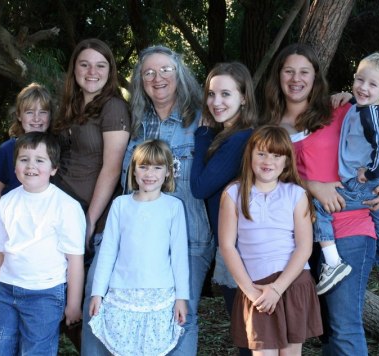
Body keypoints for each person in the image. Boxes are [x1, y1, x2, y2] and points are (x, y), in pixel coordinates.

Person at [264, 43, 379, 355]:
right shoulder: (270, 127)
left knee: (344, 326)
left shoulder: (339, 109)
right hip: (298, 239)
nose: (296, 79)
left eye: (304, 72)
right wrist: (313, 185)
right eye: (289, 71)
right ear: (278, 76)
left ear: (315, 77)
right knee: (324, 328)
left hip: (350, 228)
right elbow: (267, 179)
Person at [121, 45, 214, 355]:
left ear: (179, 75)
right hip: (139, 240)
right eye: (149, 72)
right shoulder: (134, 124)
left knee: (182, 316)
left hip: (189, 238)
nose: (157, 78)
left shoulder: (203, 119)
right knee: (141, 317)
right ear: (140, 81)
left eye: (165, 70)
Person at [51, 38, 130, 354]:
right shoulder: (70, 105)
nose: (92, 71)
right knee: (58, 299)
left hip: (91, 217)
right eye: (84, 64)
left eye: (100, 65)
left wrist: (89, 221)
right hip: (59, 214)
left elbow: (112, 169)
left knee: (86, 302)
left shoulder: (113, 107)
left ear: (110, 71)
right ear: (74, 69)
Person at [313, 53, 379, 307]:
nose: (364, 87)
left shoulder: (371, 115)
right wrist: (351, 97)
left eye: (372, 84)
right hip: (375, 184)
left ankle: (333, 263)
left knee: (319, 204)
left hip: (363, 184)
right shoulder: (363, 107)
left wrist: (372, 172)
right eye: (360, 80)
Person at [219, 125, 323, 355]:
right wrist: (251, 292)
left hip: (292, 283)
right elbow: (227, 246)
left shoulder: (296, 194)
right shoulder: (233, 194)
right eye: (262, 153)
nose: (268, 160)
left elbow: (304, 247)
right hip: (256, 287)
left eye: (277, 155)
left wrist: (278, 288)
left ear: (286, 161)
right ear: (250, 155)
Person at [0, 132, 85, 356]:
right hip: (6, 292)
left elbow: (74, 259)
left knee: (37, 351)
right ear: (15, 165)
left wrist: (74, 304)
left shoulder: (66, 206)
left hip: (45, 295)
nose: (31, 166)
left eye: (40, 160)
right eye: (24, 159)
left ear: (54, 168)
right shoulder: (7, 202)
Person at [88, 139, 189, 355]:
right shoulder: (121, 204)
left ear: (168, 172)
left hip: (160, 296)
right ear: (133, 171)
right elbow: (108, 251)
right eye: (143, 167)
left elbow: (179, 257)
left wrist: (182, 297)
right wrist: (98, 292)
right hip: (122, 295)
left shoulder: (173, 207)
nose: (149, 173)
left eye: (157, 167)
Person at [190, 62, 257, 355]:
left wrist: (202, 136)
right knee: (248, 335)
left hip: (242, 250)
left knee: (249, 336)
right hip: (234, 245)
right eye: (211, 94)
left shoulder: (240, 140)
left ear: (244, 97)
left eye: (226, 94)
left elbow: (200, 187)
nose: (216, 102)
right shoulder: (231, 136)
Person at [0, 83, 52, 257]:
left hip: (45, 231)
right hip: (12, 229)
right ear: (19, 116)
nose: (36, 118)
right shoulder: (6, 150)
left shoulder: (55, 149)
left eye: (43, 112)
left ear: (50, 116)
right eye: (30, 112)